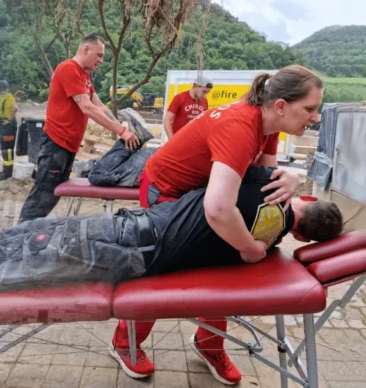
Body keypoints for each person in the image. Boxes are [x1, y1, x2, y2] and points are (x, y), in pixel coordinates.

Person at [0, 166, 343, 382]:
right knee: (25, 257)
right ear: (301, 237)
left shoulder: (262, 179)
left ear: (308, 200)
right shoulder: (264, 247)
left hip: (133, 233)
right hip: (137, 247)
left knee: (25, 243)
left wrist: (290, 176)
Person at [112, 64, 325, 385]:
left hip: (202, 191)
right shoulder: (240, 125)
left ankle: (209, 344)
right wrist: (250, 247)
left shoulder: (269, 124)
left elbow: (264, 184)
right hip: (166, 189)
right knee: (162, 265)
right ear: (281, 105)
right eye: (310, 109)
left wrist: (290, 179)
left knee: (223, 259)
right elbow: (218, 208)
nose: (315, 117)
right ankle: (124, 342)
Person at [18, 33, 141, 224]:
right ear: (86, 49)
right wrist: (121, 131)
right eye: (99, 55)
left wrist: (123, 127)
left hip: (68, 147)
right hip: (56, 145)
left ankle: (26, 234)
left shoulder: (84, 76)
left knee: (51, 196)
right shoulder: (68, 68)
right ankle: (19, 236)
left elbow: (99, 105)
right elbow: (87, 107)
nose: (101, 60)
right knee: (42, 197)